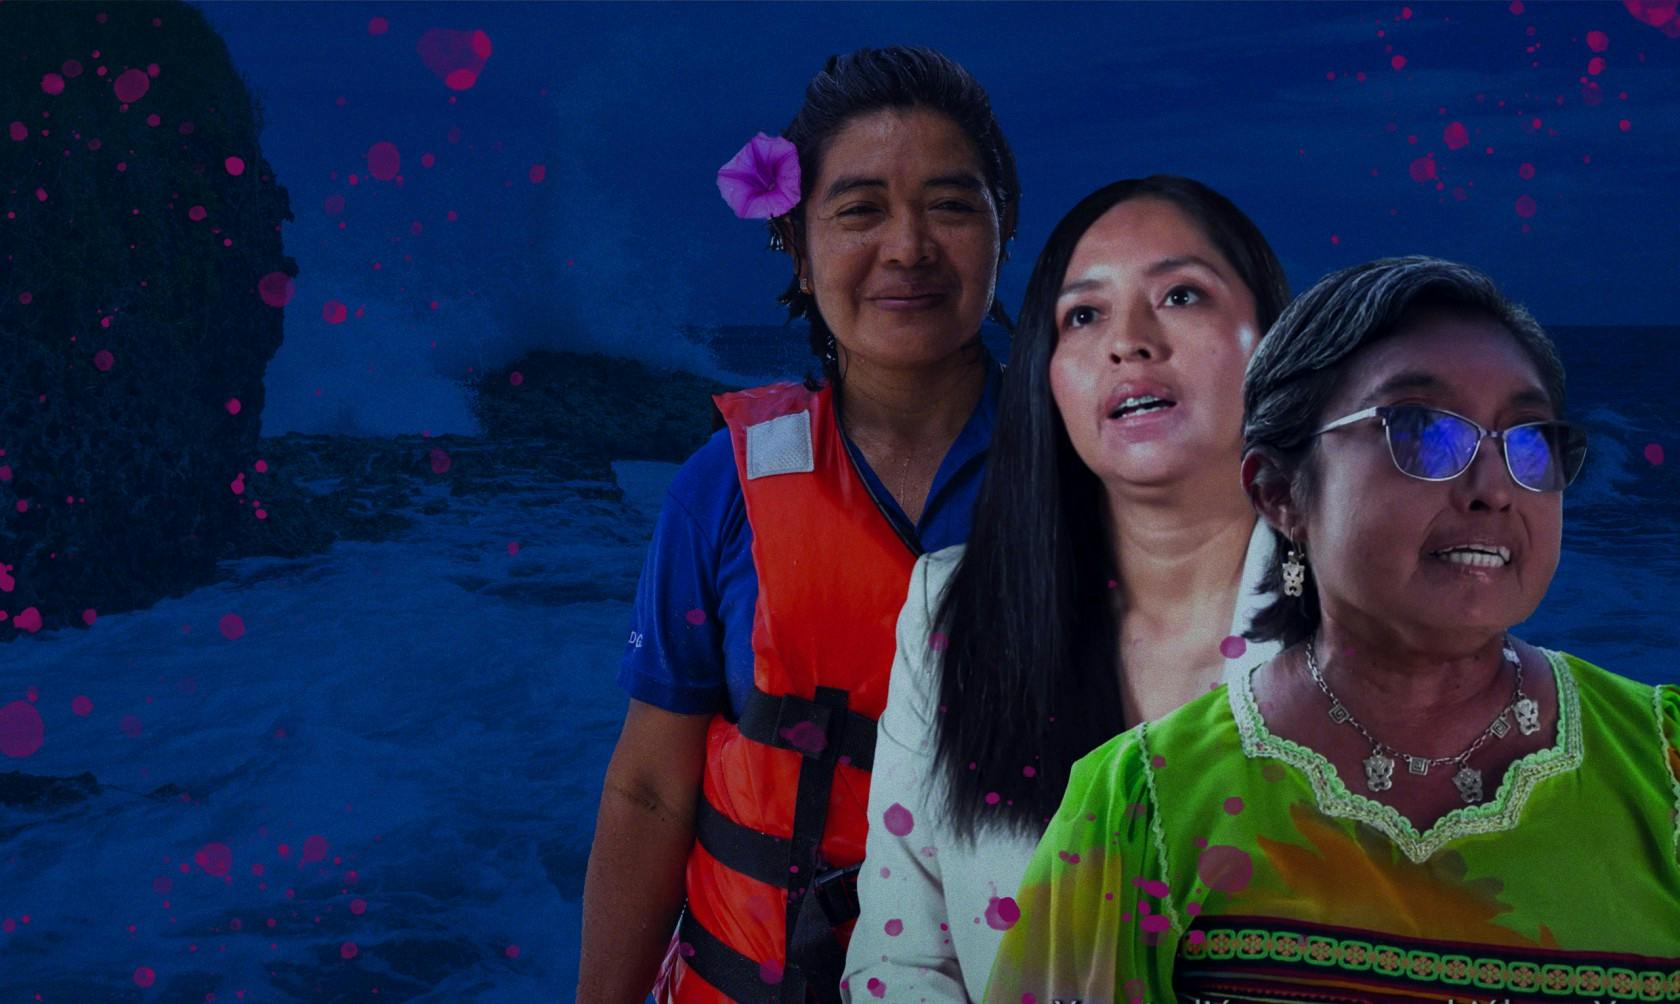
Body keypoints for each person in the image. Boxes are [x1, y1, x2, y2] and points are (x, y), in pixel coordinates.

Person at [984, 257, 1680, 1003]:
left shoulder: (1662, 768)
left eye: (1528, 440)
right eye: (1423, 433)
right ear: (1280, 492)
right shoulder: (1145, 807)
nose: (1494, 489)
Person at [578, 46, 1021, 1004]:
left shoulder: (1087, 472)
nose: (907, 247)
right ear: (797, 241)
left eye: (950, 204)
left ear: (1004, 228)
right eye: (860, 209)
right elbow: (651, 788)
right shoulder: (722, 489)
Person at [844, 176, 1291, 1002]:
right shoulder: (951, 616)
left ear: (1273, 340)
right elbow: (901, 960)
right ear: (1048, 379)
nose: (1128, 341)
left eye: (1181, 295)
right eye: (1083, 315)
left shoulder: (1378, 623)